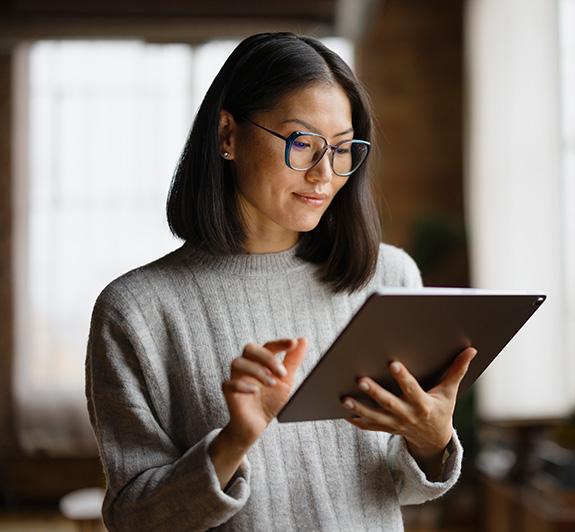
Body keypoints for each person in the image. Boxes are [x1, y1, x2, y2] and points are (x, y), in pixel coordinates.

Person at [85, 32, 477, 531]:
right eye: (302, 143)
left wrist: (432, 438)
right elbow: (134, 518)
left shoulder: (390, 277)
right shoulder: (137, 310)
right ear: (227, 134)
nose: (323, 174)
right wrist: (234, 440)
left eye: (340, 149)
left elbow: (398, 484)